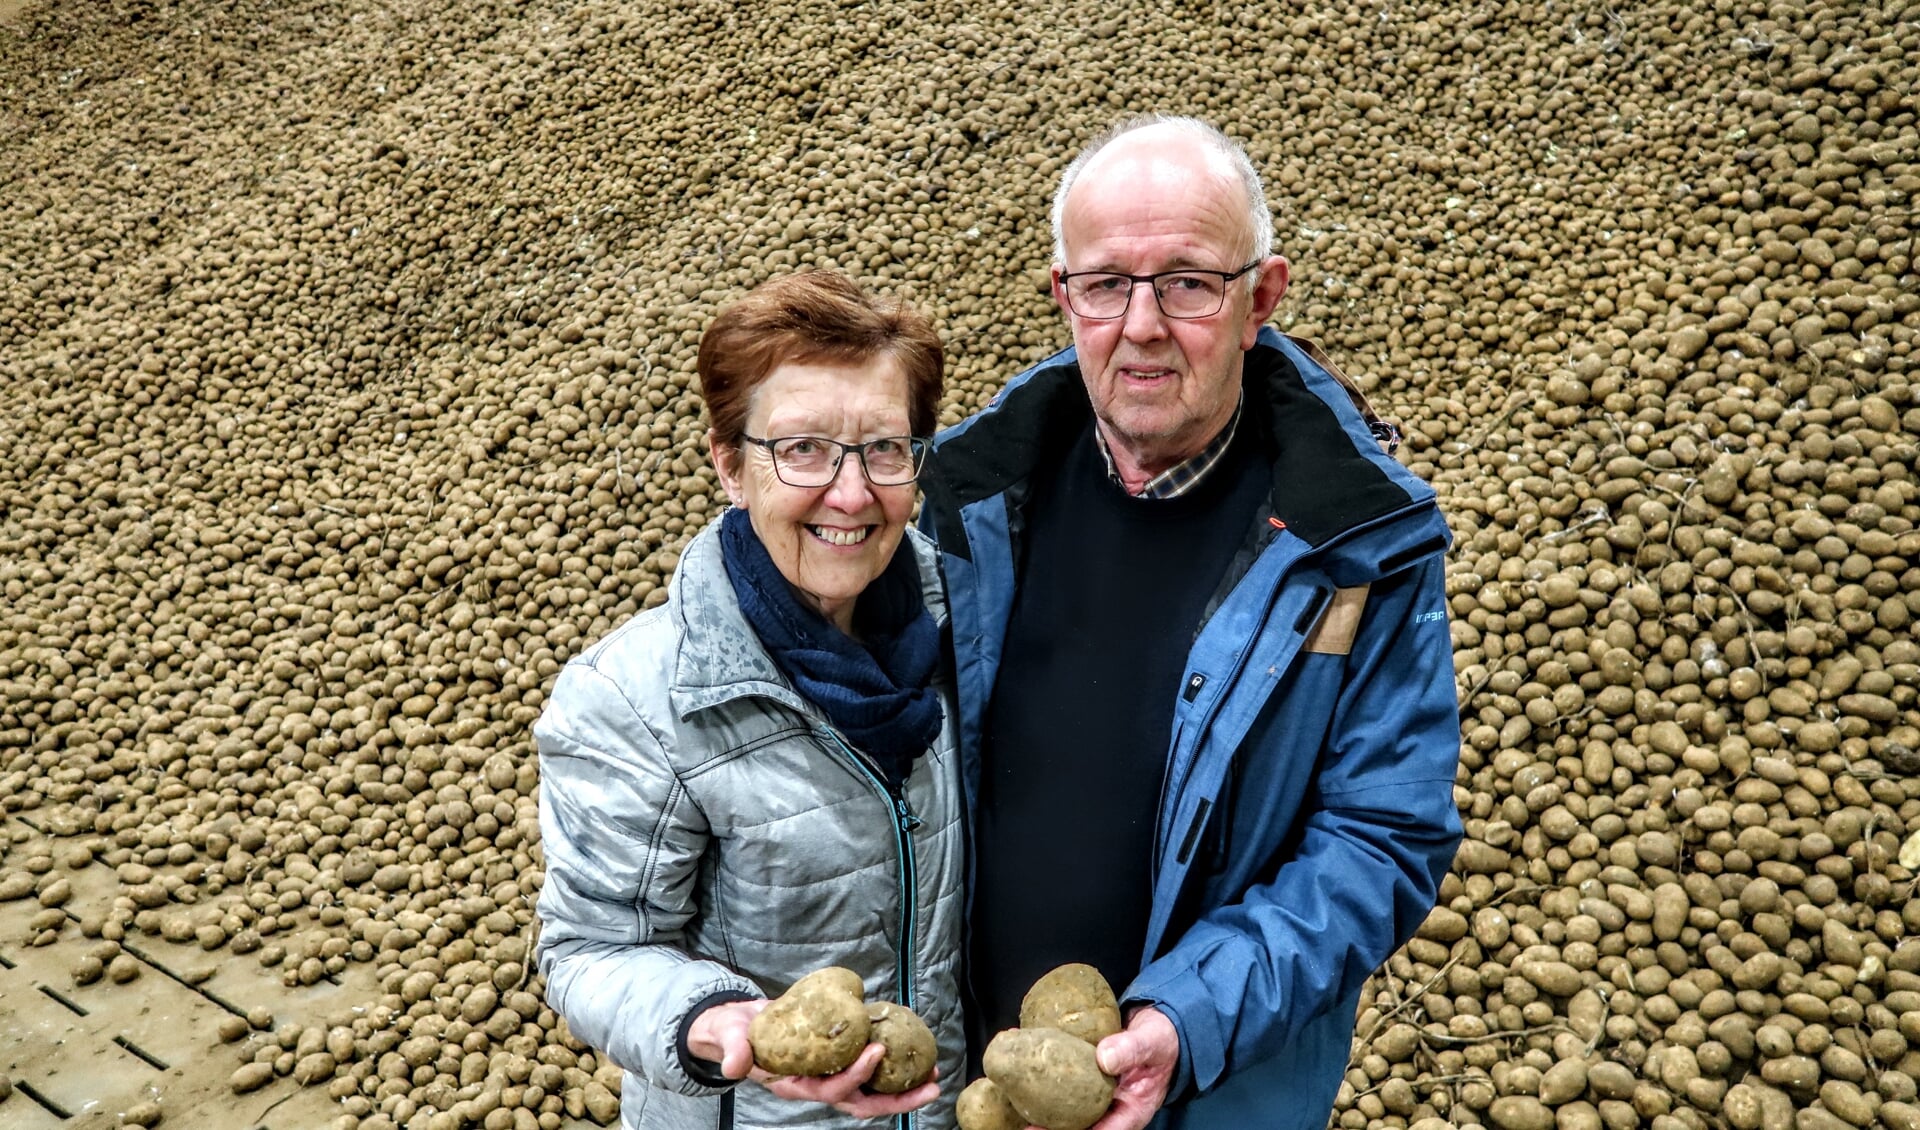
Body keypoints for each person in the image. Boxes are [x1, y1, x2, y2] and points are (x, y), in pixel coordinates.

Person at [918, 115, 1462, 1129]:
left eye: (1188, 282)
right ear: (1063, 297)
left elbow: (1383, 836)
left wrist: (1189, 1017)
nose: (1142, 323)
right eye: (1107, 284)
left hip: (1213, 1088)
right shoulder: (962, 499)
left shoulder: (1360, 542)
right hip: (976, 1083)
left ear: (1262, 297)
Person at [534, 270, 964, 1129]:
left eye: (885, 448)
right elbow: (588, 950)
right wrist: (711, 1021)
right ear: (730, 464)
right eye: (803, 448)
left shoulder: (973, 629)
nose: (851, 494)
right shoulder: (631, 700)